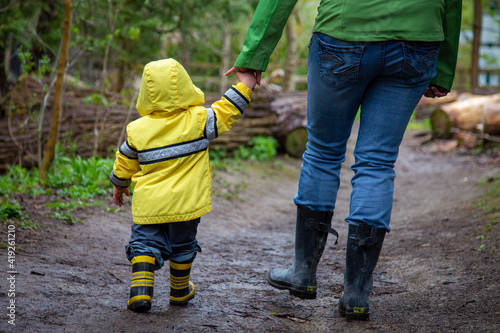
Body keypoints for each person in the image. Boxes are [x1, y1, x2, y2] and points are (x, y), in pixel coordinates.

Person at [226, 0, 461, 321]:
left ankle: (303, 272)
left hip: (344, 33)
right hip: (417, 40)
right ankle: (357, 293)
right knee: (378, 161)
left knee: (323, 151)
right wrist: (444, 68)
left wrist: (254, 55)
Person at [110, 58, 257, 313]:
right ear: (187, 84)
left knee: (145, 243)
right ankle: (179, 291)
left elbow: (125, 159)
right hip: (187, 204)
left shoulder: (137, 129)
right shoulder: (199, 120)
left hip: (150, 205)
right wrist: (245, 84)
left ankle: (141, 291)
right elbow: (227, 110)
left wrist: (119, 184)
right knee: (183, 244)